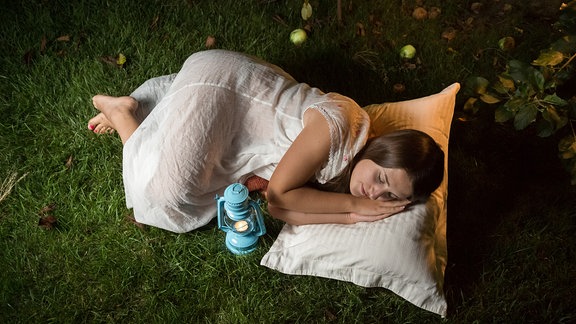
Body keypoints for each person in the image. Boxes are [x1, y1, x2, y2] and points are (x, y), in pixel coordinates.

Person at [87, 50, 444, 233]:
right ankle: (123, 115)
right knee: (167, 195)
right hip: (224, 88)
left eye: (390, 197)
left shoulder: (346, 173)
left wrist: (352, 217)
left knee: (194, 183)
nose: (374, 194)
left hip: (239, 116)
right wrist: (359, 209)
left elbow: (279, 212)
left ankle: (160, 105)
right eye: (381, 178)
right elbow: (279, 195)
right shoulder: (338, 126)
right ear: (380, 149)